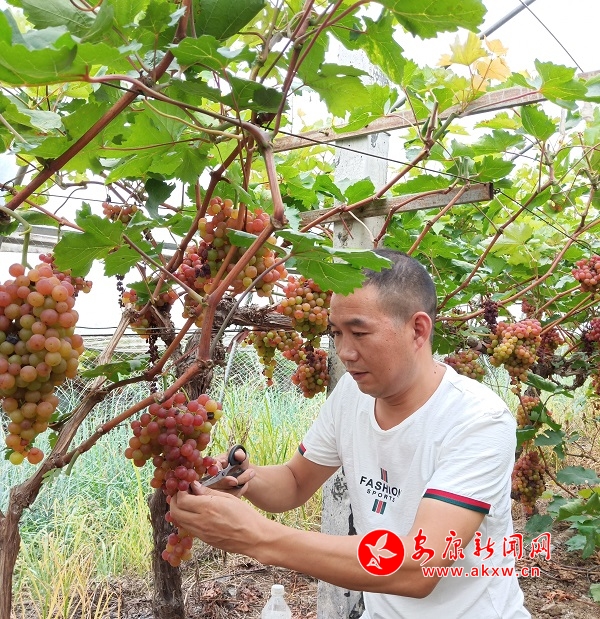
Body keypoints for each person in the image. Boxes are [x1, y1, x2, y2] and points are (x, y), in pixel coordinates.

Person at [170, 249, 531, 619]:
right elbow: (295, 481)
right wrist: (246, 478)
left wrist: (257, 537)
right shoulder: (351, 395)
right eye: (336, 333)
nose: (344, 352)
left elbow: (420, 566)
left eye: (359, 333)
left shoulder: (478, 420)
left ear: (418, 330)